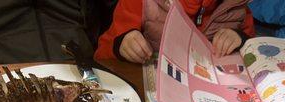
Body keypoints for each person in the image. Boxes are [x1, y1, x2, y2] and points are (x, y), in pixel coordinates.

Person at [95, 0, 255, 63]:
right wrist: (121, 45)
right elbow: (101, 55)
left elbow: (256, 57)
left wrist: (240, 40)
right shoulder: (139, 2)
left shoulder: (237, 6)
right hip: (149, 101)